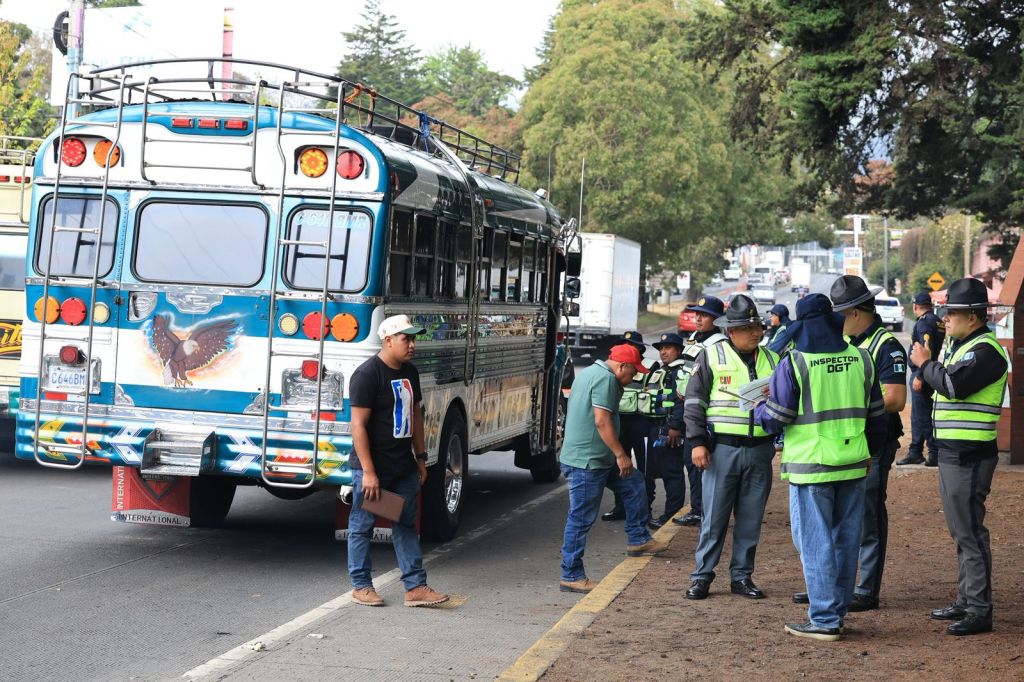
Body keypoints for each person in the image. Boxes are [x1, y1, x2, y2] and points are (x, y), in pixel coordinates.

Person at [756, 294, 886, 641]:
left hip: (811, 465)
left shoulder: (794, 363)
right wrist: (868, 452)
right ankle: (837, 610)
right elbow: (877, 417)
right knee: (846, 540)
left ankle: (825, 619)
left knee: (815, 543)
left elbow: (777, 419)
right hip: (854, 462)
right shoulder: (862, 358)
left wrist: (759, 408)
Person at [910, 277, 1007, 636]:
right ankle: (967, 600)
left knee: (970, 533)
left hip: (969, 454)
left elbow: (953, 386)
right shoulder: (959, 345)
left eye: (951, 313)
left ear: (973, 316)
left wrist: (924, 363)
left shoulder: (986, 352)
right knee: (961, 531)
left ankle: (979, 609)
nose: (944, 320)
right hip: (954, 452)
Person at [347, 314, 449, 608]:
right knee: (362, 524)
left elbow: (415, 415)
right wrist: (368, 472)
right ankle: (361, 585)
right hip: (373, 469)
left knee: (405, 523)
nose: (413, 344)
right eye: (407, 339)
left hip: (403, 466)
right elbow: (358, 426)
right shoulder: (368, 375)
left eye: (414, 338)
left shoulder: (410, 373)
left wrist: (421, 456)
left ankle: (415, 587)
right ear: (388, 340)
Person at [683, 295, 780, 600]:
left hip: (760, 451)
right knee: (714, 519)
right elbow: (694, 402)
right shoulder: (711, 356)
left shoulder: (773, 360)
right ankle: (702, 577)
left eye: (757, 326)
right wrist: (697, 443)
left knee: (751, 518)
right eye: (747, 327)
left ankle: (741, 576)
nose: (755, 332)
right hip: (721, 450)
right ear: (731, 330)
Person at [559, 344, 669, 594]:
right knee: (581, 518)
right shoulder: (605, 379)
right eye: (632, 373)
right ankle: (571, 574)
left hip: (597, 458)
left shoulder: (591, 372)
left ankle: (638, 539)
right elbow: (601, 420)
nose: (633, 378)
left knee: (634, 483)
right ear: (621, 366)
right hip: (587, 462)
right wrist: (621, 454)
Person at [829, 275, 907, 613]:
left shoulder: (885, 345)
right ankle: (834, 586)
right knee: (841, 513)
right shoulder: (848, 342)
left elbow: (895, 398)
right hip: (848, 439)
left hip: (875, 439)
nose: (838, 321)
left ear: (856, 313)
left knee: (869, 514)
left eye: (841, 314)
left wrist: (850, 402)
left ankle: (866, 589)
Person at [671, 296, 726, 527]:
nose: (698, 318)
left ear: (716, 318)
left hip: (703, 407)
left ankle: (702, 510)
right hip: (688, 405)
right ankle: (699, 508)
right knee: (691, 462)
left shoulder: (718, 343)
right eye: (697, 314)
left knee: (700, 462)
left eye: (704, 315)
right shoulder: (695, 338)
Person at [601, 331, 650, 521]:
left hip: (641, 422)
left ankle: (644, 509)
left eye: (632, 345)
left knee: (645, 469)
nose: (627, 347)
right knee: (621, 466)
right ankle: (620, 507)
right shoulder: (609, 371)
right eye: (624, 344)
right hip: (619, 420)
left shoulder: (649, 367)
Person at [643, 332, 688, 528]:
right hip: (657, 427)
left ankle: (671, 515)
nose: (663, 352)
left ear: (679, 350)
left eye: (668, 348)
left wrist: (675, 427)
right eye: (661, 348)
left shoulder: (681, 372)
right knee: (656, 472)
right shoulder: (664, 371)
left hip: (669, 429)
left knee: (672, 474)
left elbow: (681, 401)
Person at [898, 291, 945, 466]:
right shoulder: (937, 321)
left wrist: (919, 375)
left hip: (922, 374)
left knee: (923, 416)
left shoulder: (924, 323)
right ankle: (915, 451)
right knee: (919, 415)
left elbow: (928, 348)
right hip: (927, 372)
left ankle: (933, 453)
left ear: (915, 306)